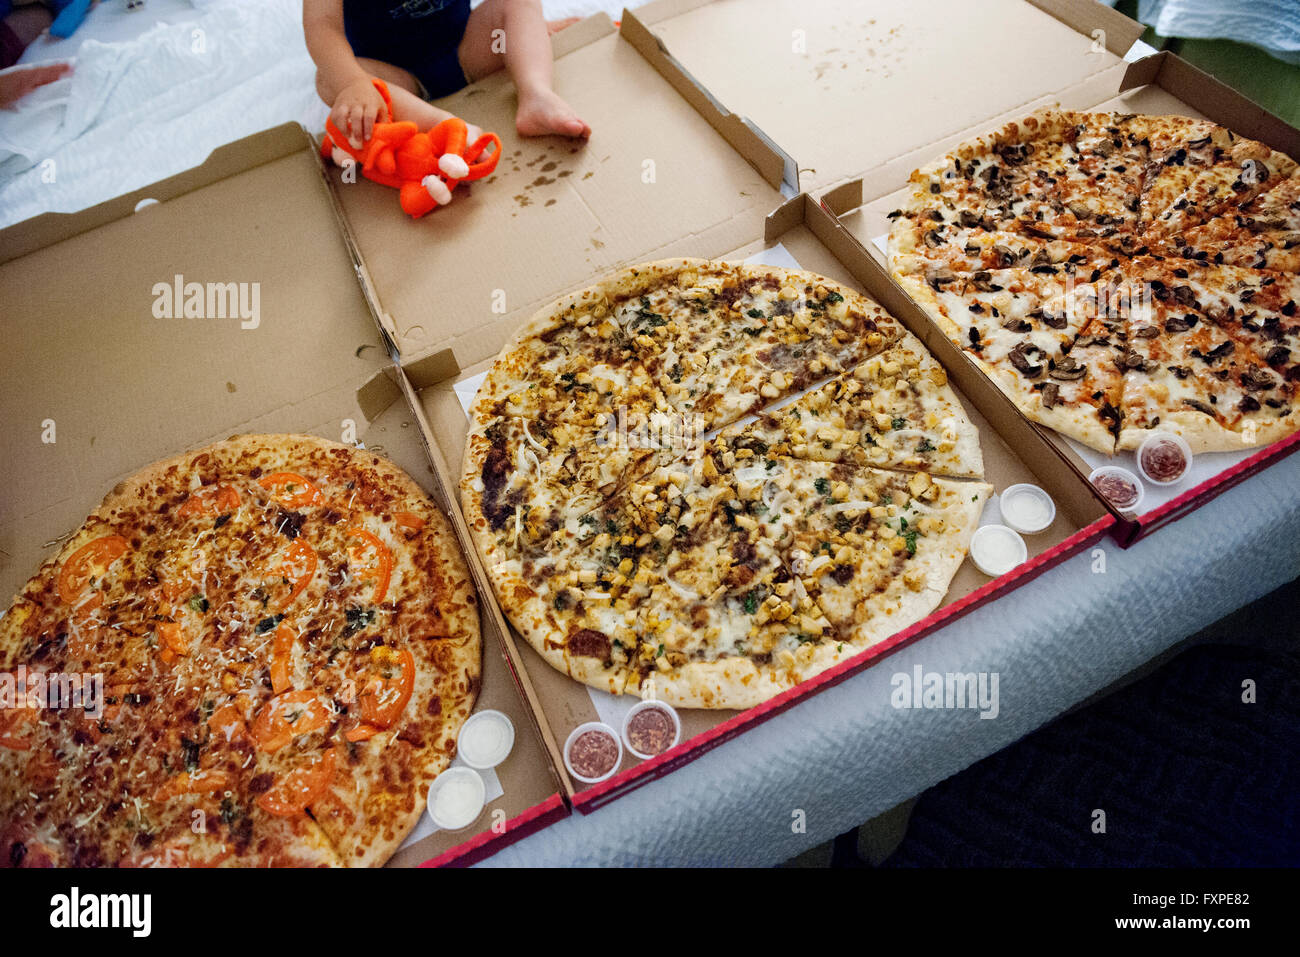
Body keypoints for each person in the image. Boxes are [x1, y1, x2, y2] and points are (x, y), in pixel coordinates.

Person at [304, 0, 589, 151]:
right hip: (399, 81)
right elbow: (322, 25)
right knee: (330, 79)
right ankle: (444, 126)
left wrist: (525, 31)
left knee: (516, 2)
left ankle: (536, 94)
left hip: (467, 49)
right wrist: (354, 83)